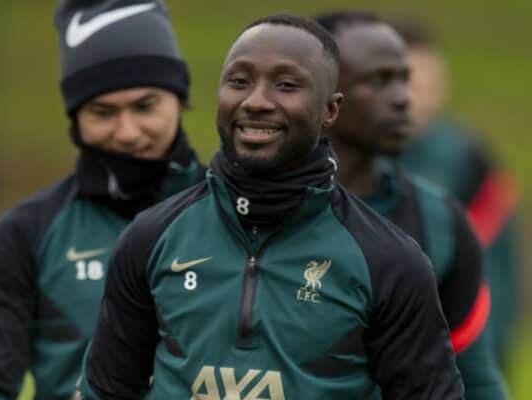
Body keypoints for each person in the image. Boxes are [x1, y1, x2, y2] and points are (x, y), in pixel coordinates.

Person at [78, 13, 463, 399]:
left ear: (331, 110)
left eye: (286, 84)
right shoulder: (151, 238)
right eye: (239, 81)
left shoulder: (389, 261)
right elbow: (106, 390)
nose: (256, 101)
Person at [0, 1, 204, 398]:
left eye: (145, 106)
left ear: (180, 96)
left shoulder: (234, 217)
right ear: (74, 116)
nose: (127, 132)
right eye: (102, 112)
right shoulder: (25, 233)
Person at [315, 11, 508, 399]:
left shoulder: (439, 217)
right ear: (324, 95)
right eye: (379, 82)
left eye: (406, 80)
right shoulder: (245, 209)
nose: (406, 99)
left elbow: (476, 374)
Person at [393, 17, 522, 364]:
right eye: (411, 82)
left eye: (431, 82)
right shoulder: (354, 158)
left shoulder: (467, 159)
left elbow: (494, 269)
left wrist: (488, 351)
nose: (423, 96)